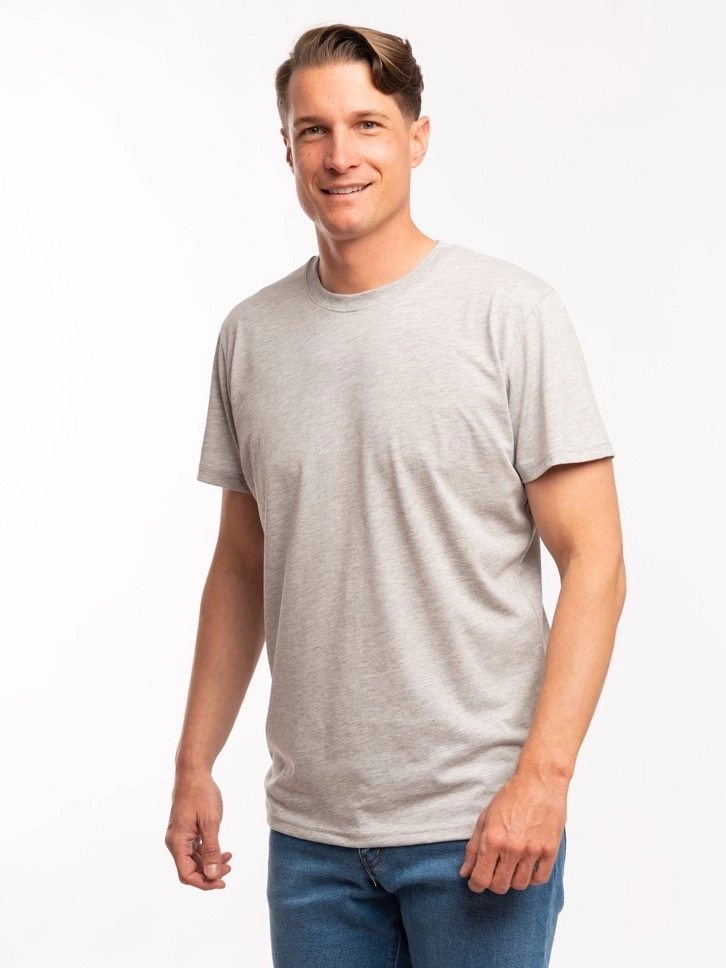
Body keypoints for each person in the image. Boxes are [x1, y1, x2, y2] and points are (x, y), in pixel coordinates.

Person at [165, 23, 626, 968]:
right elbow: (243, 563)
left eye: (368, 124)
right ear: (287, 147)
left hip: (482, 828)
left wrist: (543, 780)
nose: (340, 155)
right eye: (315, 129)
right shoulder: (251, 337)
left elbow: (597, 562)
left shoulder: (510, 314)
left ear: (417, 137)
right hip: (311, 840)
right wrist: (194, 762)